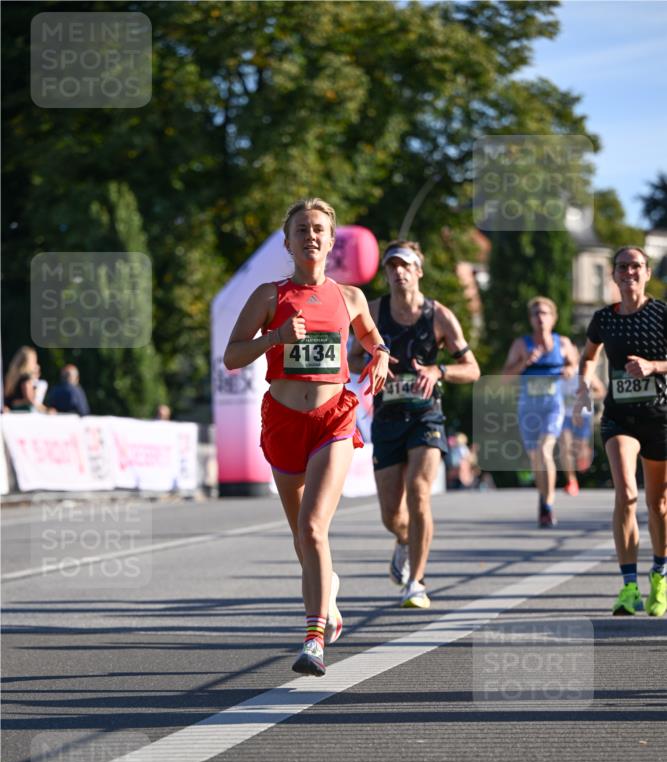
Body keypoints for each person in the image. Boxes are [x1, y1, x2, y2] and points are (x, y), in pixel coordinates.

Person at [223, 198, 389, 676]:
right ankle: (328, 593)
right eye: (302, 229)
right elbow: (232, 357)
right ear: (288, 242)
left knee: (315, 528)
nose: (311, 236)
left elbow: (374, 338)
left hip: (332, 420)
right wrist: (275, 339)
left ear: (331, 241)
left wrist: (378, 353)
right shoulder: (268, 296)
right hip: (282, 421)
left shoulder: (351, 297)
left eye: (319, 229)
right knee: (302, 536)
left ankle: (314, 637)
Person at [349, 240, 480, 609]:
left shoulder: (439, 316)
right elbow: (352, 358)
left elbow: (473, 369)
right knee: (392, 514)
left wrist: (440, 369)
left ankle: (417, 583)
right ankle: (403, 541)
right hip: (387, 417)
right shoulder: (373, 311)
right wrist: (373, 364)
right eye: (391, 267)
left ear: (418, 271)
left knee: (419, 491)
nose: (398, 272)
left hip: (426, 415)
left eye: (405, 266)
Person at [574, 246, 667, 617]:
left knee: (658, 505)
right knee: (626, 493)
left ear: (646, 273)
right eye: (622, 267)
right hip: (619, 418)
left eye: (636, 266)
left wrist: (654, 366)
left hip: (659, 416)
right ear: (613, 276)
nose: (629, 272)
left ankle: (659, 576)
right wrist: (583, 384)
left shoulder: (661, 314)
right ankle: (629, 587)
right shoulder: (603, 319)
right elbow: (588, 356)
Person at [502, 297, 578, 527]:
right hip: (528, 408)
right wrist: (524, 363)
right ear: (531, 320)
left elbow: (576, 365)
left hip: (553, 407)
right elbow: (505, 377)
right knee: (536, 458)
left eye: (544, 313)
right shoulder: (521, 345)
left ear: (553, 318)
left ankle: (548, 504)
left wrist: (568, 369)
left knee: (546, 450)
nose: (540, 317)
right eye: (535, 314)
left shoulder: (562, 343)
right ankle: (544, 497)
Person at [559, 365, 605, 496]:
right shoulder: (556, 371)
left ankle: (585, 453)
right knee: (565, 446)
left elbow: (601, 391)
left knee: (579, 448)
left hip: (583, 416)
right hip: (564, 415)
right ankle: (571, 481)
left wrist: (586, 396)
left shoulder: (584, 372)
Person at [3, 346, 48, 412]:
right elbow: (30, 400)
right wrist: (46, 410)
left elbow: (8, 398)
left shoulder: (11, 376)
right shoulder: (26, 378)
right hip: (23, 413)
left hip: (10, 412)